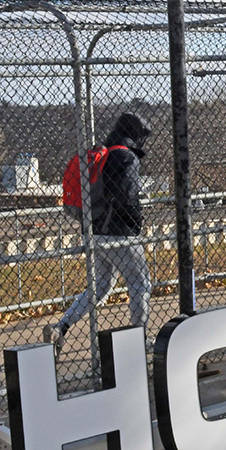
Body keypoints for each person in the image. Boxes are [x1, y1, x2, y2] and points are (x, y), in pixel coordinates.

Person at [45, 113, 153, 351]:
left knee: (101, 286)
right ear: (135, 134)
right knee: (141, 283)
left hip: (93, 230)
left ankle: (61, 326)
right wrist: (135, 225)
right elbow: (127, 197)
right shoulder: (125, 156)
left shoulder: (101, 154)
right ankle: (140, 339)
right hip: (118, 233)